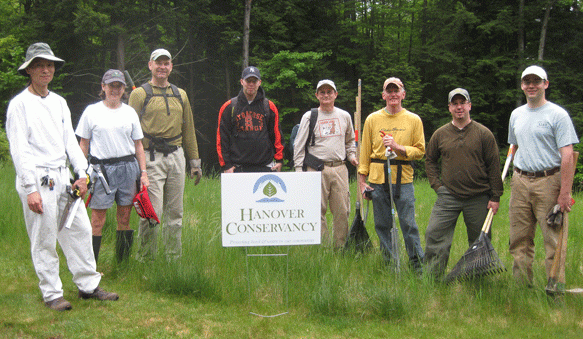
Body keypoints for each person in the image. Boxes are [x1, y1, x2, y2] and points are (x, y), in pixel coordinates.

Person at [6, 42, 118, 311]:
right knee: (43, 237)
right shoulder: (19, 105)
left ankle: (88, 285)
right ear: (30, 70)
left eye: (49, 65)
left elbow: (71, 142)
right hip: (37, 178)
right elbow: (20, 150)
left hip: (63, 178)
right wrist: (30, 188)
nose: (46, 70)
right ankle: (52, 292)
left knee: (79, 230)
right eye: (39, 65)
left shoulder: (59, 102)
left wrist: (82, 174)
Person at [508, 65, 579, 286]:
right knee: (519, 239)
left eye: (536, 81)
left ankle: (555, 287)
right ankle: (522, 287)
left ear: (545, 84)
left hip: (548, 182)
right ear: (522, 86)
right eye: (527, 82)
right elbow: (514, 147)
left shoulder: (558, 115)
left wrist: (565, 193)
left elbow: (567, 155)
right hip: (520, 181)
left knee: (552, 239)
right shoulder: (516, 114)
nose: (531, 85)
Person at [128, 48, 202, 261]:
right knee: (152, 212)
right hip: (151, 158)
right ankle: (146, 259)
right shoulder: (139, 94)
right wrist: (134, 165)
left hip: (177, 156)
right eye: (157, 62)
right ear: (150, 65)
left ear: (171, 67)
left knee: (176, 214)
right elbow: (130, 132)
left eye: (166, 63)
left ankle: (172, 259)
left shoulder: (181, 94)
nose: (162, 66)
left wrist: (194, 162)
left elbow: (188, 129)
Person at [424, 88, 504, 278]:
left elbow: (494, 166)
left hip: (478, 197)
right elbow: (430, 160)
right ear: (450, 108)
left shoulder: (484, 134)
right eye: (455, 103)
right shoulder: (440, 134)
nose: (459, 107)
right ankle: (432, 278)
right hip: (448, 196)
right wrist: (437, 186)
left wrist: (495, 197)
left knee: (480, 240)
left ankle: (476, 279)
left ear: (469, 105)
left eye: (463, 103)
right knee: (434, 234)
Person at [76, 69, 150, 264]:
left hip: (128, 168)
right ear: (103, 87)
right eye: (111, 86)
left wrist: (143, 173)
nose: (115, 90)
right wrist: (79, 172)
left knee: (124, 218)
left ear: (124, 88)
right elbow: (83, 144)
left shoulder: (130, 113)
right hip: (101, 170)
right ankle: (91, 267)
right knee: (97, 220)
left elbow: (138, 146)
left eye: (119, 86)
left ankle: (122, 265)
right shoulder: (91, 111)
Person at [357, 77, 425, 271]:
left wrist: (398, 147)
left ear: (403, 94)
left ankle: (417, 264)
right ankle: (389, 264)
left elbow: (420, 151)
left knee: (408, 223)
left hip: (403, 179)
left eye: (397, 91)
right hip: (378, 180)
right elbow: (364, 154)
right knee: (382, 224)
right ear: (383, 95)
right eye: (389, 91)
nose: (393, 94)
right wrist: (362, 182)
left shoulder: (413, 120)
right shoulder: (372, 119)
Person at [293, 80, 358, 248]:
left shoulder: (344, 116)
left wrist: (352, 156)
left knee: (342, 211)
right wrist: (299, 170)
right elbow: (299, 145)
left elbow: (351, 141)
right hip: (315, 169)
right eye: (322, 92)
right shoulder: (309, 116)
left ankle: (339, 248)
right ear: (317, 95)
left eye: (330, 91)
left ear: (336, 94)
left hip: (339, 167)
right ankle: (323, 246)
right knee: (316, 210)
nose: (326, 95)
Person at [216, 66, 284, 173]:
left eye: (254, 81)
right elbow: (222, 138)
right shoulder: (229, 107)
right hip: (237, 167)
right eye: (248, 81)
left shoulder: (269, 107)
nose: (251, 84)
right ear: (242, 82)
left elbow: (276, 135)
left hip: (265, 166)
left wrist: (279, 159)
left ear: (259, 82)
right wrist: (226, 164)